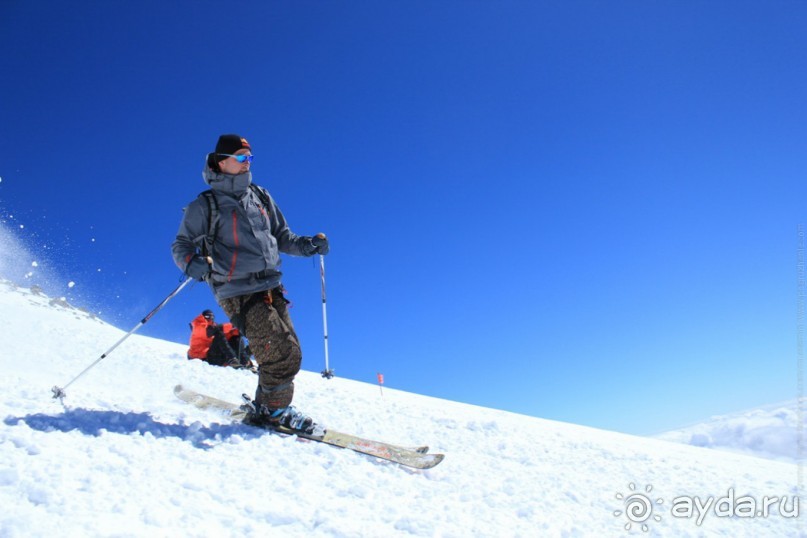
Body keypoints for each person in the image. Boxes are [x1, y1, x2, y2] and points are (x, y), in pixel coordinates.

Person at [172, 134, 329, 434]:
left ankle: (266, 406)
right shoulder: (205, 205)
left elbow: (284, 237)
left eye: (250, 158)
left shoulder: (260, 196)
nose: (247, 163)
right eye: (241, 158)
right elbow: (181, 245)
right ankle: (273, 412)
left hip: (271, 287)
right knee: (283, 354)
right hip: (237, 290)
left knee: (286, 351)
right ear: (221, 161)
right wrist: (190, 262)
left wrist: (308, 245)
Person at [187, 309, 254, 370]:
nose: (211, 319)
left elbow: (223, 337)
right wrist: (234, 325)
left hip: (210, 356)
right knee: (219, 334)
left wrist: (236, 332)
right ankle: (232, 360)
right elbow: (214, 330)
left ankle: (245, 362)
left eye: (212, 317)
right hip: (200, 358)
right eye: (209, 317)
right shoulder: (197, 326)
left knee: (235, 337)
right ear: (204, 317)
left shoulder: (212, 329)